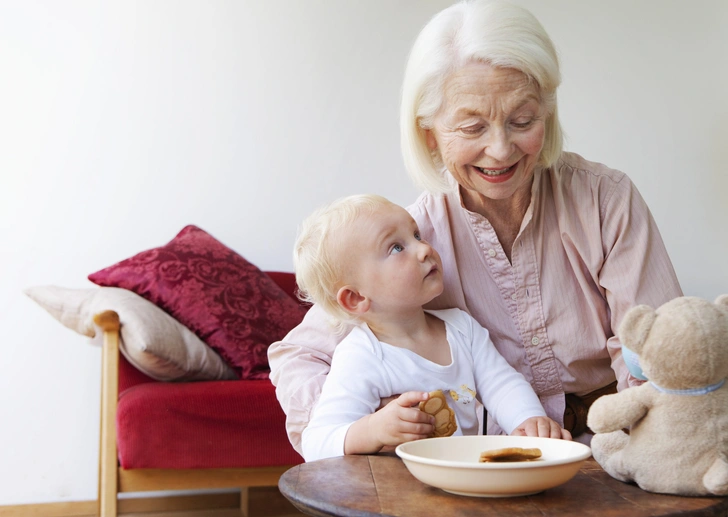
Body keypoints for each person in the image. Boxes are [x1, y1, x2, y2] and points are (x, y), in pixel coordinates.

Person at [268, 0, 682, 455]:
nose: (501, 150)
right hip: (490, 461)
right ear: (430, 135)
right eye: (471, 128)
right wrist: (361, 430)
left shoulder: (607, 199)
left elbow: (658, 352)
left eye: (522, 121)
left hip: (613, 441)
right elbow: (299, 354)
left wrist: (646, 445)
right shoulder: (412, 240)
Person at [294, 194, 570, 462]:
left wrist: (528, 420)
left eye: (416, 235)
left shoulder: (462, 328)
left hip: (462, 476)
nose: (424, 248)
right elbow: (317, 443)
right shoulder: (361, 356)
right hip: (397, 494)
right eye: (396, 248)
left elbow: (501, 384)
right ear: (355, 298)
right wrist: (373, 430)